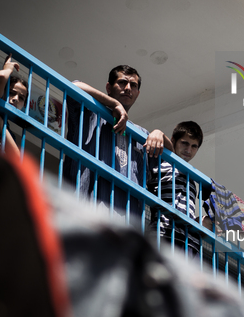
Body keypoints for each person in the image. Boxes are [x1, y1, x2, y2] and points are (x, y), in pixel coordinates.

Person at [62, 64, 173, 229]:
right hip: (83, 216)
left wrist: (160, 135)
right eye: (122, 82)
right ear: (108, 87)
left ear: (138, 93)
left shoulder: (141, 134)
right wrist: (114, 104)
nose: (128, 88)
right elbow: (74, 86)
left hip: (126, 229)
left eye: (133, 85)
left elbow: (172, 157)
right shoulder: (90, 113)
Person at [148, 121, 213, 257]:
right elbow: (162, 146)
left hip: (189, 243)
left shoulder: (192, 180)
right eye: (185, 143)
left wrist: (201, 222)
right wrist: (158, 133)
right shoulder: (162, 163)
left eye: (194, 146)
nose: (188, 150)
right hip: (162, 234)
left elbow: (184, 213)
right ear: (174, 141)